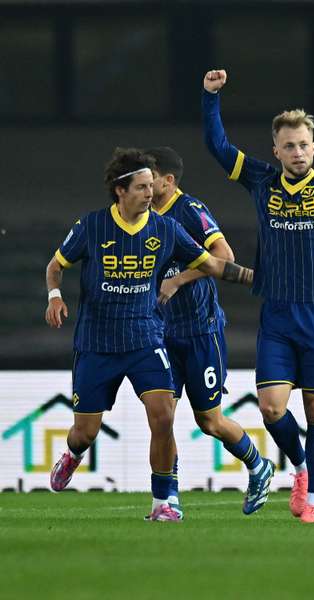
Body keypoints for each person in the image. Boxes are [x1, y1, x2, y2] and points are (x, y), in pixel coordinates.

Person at [201, 68, 314, 523]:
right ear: (275, 150)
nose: (298, 152)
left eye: (304, 144)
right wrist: (210, 98)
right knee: (271, 407)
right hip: (277, 311)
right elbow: (218, 149)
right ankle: (300, 467)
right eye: (289, 145)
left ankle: (313, 501)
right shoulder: (261, 181)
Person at [45, 148, 254, 521]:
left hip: (146, 338)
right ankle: (73, 455)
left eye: (149, 186)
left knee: (163, 415)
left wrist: (257, 277)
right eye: (141, 187)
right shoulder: (92, 226)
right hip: (98, 343)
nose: (149, 193)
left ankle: (162, 502)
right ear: (120, 191)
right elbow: (55, 266)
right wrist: (55, 296)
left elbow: (210, 263)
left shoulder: (165, 228)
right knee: (85, 432)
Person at [146, 146, 274, 515]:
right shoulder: (143, 216)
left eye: (150, 178)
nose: (143, 183)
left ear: (167, 182)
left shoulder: (190, 210)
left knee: (210, 421)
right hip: (162, 334)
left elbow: (225, 257)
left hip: (201, 331)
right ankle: (168, 498)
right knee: (162, 417)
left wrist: (179, 280)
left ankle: (258, 464)